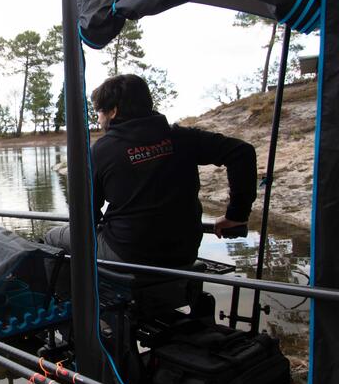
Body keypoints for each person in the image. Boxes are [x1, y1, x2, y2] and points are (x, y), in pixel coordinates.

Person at [45, 74, 257, 268]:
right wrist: (236, 215)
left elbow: (85, 216)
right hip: (185, 250)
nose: (98, 119)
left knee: (53, 237)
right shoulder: (181, 136)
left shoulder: (101, 151)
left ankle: (68, 303)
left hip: (129, 252)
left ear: (114, 111)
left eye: (99, 112)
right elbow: (242, 153)